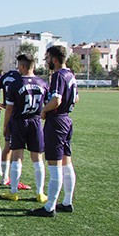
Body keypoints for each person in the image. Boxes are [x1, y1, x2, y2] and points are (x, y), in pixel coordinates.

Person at [27, 45, 79, 217]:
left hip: (56, 121)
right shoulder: (71, 74)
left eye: (48, 58)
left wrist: (43, 110)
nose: (47, 61)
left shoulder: (57, 75)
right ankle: (67, 202)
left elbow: (56, 100)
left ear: (54, 60)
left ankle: (49, 207)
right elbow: (76, 98)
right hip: (67, 120)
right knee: (66, 161)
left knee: (55, 164)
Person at [0, 54, 48, 203]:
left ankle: (14, 192)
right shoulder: (43, 83)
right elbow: (47, 104)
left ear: (22, 66)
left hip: (19, 122)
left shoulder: (15, 83)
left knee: (17, 156)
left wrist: (6, 125)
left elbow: (9, 109)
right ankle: (40, 193)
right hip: (36, 122)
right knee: (37, 157)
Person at [0, 69, 32, 190]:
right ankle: (13, 181)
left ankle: (5, 177)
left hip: (11, 114)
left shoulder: (8, 75)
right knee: (18, 150)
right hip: (20, 115)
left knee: (8, 146)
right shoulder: (22, 78)